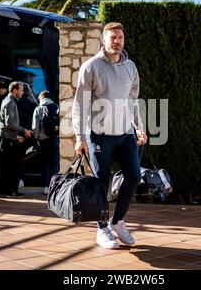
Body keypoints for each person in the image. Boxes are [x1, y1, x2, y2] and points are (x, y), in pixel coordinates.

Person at [72, 22, 148, 249]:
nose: (117, 41)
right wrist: (80, 137)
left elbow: (133, 101)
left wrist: (139, 127)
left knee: (134, 176)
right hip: (100, 136)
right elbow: (80, 105)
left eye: (120, 37)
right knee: (101, 183)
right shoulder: (91, 67)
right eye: (112, 37)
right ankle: (102, 228)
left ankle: (118, 221)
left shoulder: (131, 67)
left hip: (125, 134)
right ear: (103, 41)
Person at [0, 81, 33, 197]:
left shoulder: (11, 101)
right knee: (10, 165)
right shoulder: (10, 102)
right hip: (5, 138)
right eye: (21, 90)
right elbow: (9, 124)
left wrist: (16, 136)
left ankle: (9, 190)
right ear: (14, 90)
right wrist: (24, 131)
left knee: (10, 165)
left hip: (8, 137)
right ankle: (8, 190)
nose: (23, 93)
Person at [32, 90, 60, 196]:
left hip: (43, 140)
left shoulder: (38, 109)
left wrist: (36, 137)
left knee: (45, 164)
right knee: (55, 163)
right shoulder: (57, 107)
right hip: (55, 139)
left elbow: (35, 127)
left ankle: (46, 187)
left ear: (42, 98)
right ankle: (55, 186)